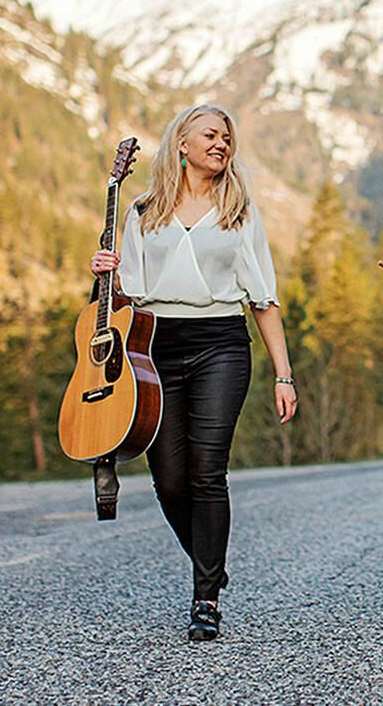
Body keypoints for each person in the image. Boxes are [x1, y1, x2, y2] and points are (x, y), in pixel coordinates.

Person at [89, 104, 298, 642]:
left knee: (208, 472)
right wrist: (104, 275)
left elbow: (264, 299)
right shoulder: (142, 210)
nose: (221, 144)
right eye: (210, 135)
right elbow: (123, 297)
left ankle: (205, 597)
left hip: (221, 345)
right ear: (180, 144)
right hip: (152, 348)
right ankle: (213, 560)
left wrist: (284, 374)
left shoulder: (239, 211)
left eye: (227, 137)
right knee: (170, 478)